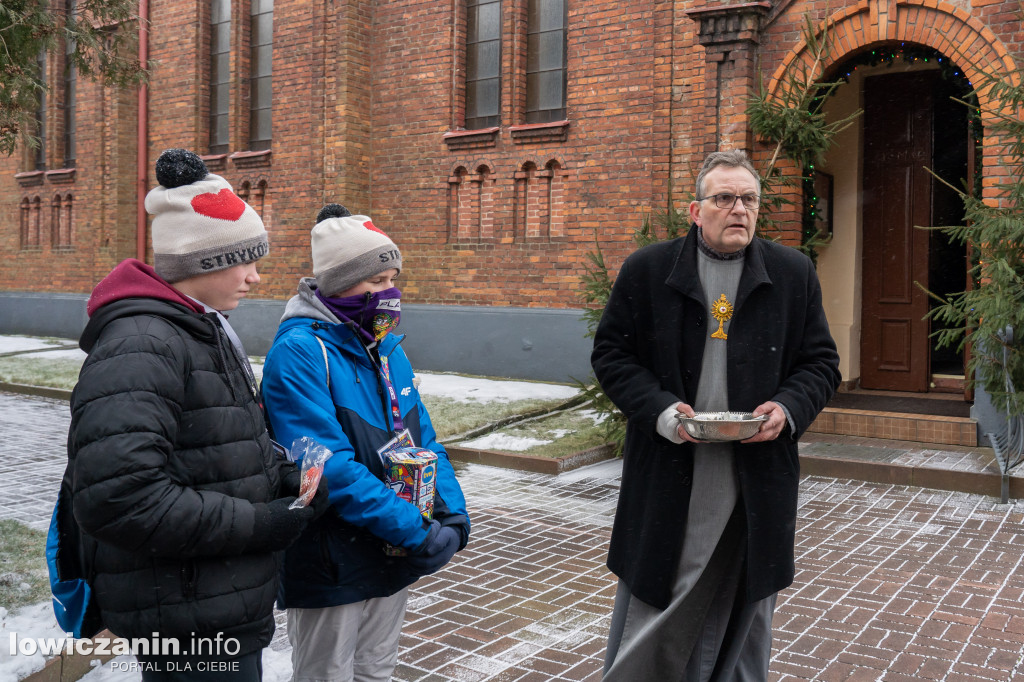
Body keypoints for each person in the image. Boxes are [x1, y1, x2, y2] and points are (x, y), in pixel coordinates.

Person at [60, 148, 326, 681]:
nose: (255, 279)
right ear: (200, 263)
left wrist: (279, 480)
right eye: (244, 262)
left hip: (210, 600)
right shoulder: (143, 343)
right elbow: (119, 497)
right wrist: (262, 522)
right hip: (185, 616)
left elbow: (209, 446)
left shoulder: (200, 328)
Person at [591, 149, 841, 681]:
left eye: (749, 199)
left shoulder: (792, 273)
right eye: (724, 198)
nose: (739, 210)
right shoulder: (650, 270)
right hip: (670, 468)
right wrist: (662, 412)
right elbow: (612, 355)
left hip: (756, 471)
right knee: (659, 590)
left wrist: (788, 408)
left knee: (746, 600)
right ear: (694, 209)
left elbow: (820, 362)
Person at [261, 204, 471, 682]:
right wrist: (414, 530)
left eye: (393, 278)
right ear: (338, 283)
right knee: (326, 675)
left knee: (376, 671)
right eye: (376, 282)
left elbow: (424, 440)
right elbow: (326, 465)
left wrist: (450, 513)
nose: (389, 292)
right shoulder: (299, 351)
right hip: (330, 554)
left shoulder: (386, 347)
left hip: (390, 549)